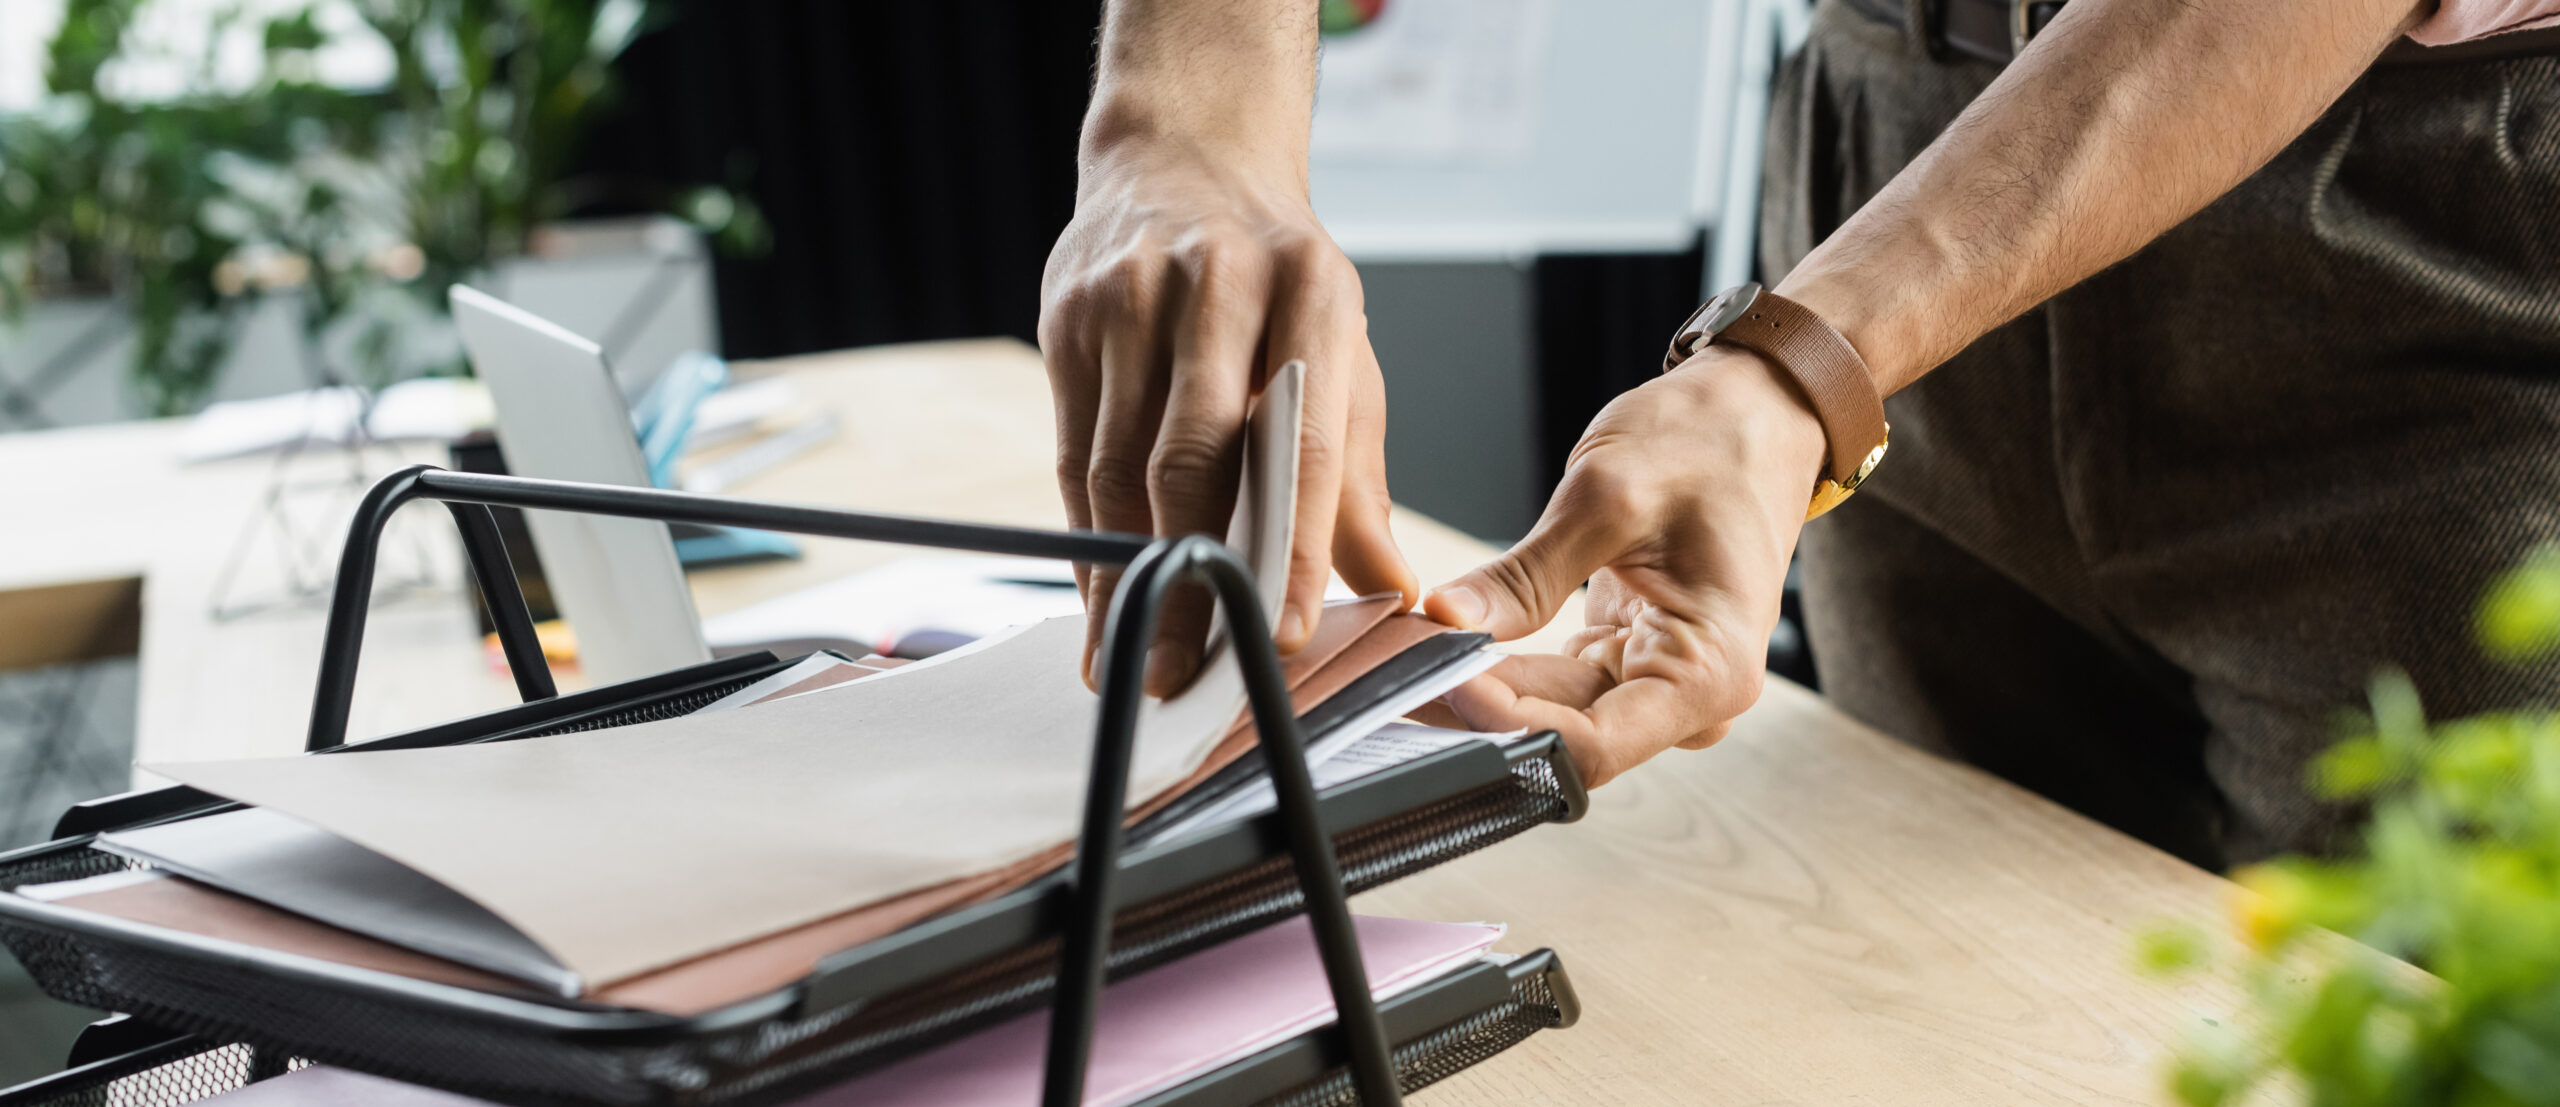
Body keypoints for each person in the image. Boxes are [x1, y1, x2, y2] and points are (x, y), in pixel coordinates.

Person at [1038, 0, 2560, 868]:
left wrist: (1800, 369)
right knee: (1950, 1072)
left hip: (2421, 246)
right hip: (1889, 138)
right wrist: (1178, 123)